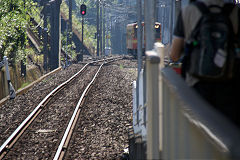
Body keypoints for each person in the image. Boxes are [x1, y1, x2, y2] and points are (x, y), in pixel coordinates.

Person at [169, 0, 240, 126]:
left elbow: (174, 55)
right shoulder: (235, 12)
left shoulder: (188, 11)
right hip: (229, 85)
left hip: (196, 84)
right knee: (228, 132)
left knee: (199, 129)